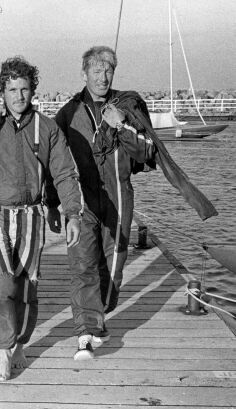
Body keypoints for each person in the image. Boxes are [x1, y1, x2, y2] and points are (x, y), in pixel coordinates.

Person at [0, 56, 83, 382]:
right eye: (12, 89)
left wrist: (71, 213)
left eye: (24, 88)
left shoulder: (47, 127)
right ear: (2, 91)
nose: (19, 96)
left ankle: (21, 344)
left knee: (26, 288)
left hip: (32, 216)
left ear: (33, 90)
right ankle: (2, 351)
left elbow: (65, 173)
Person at [46, 46, 156, 361]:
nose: (103, 76)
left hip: (119, 197)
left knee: (113, 265)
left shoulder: (128, 105)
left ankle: (99, 312)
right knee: (83, 264)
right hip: (81, 201)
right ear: (84, 74)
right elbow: (55, 163)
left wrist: (122, 125)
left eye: (108, 70)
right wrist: (53, 204)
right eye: (96, 70)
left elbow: (148, 152)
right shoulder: (68, 113)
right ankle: (85, 332)